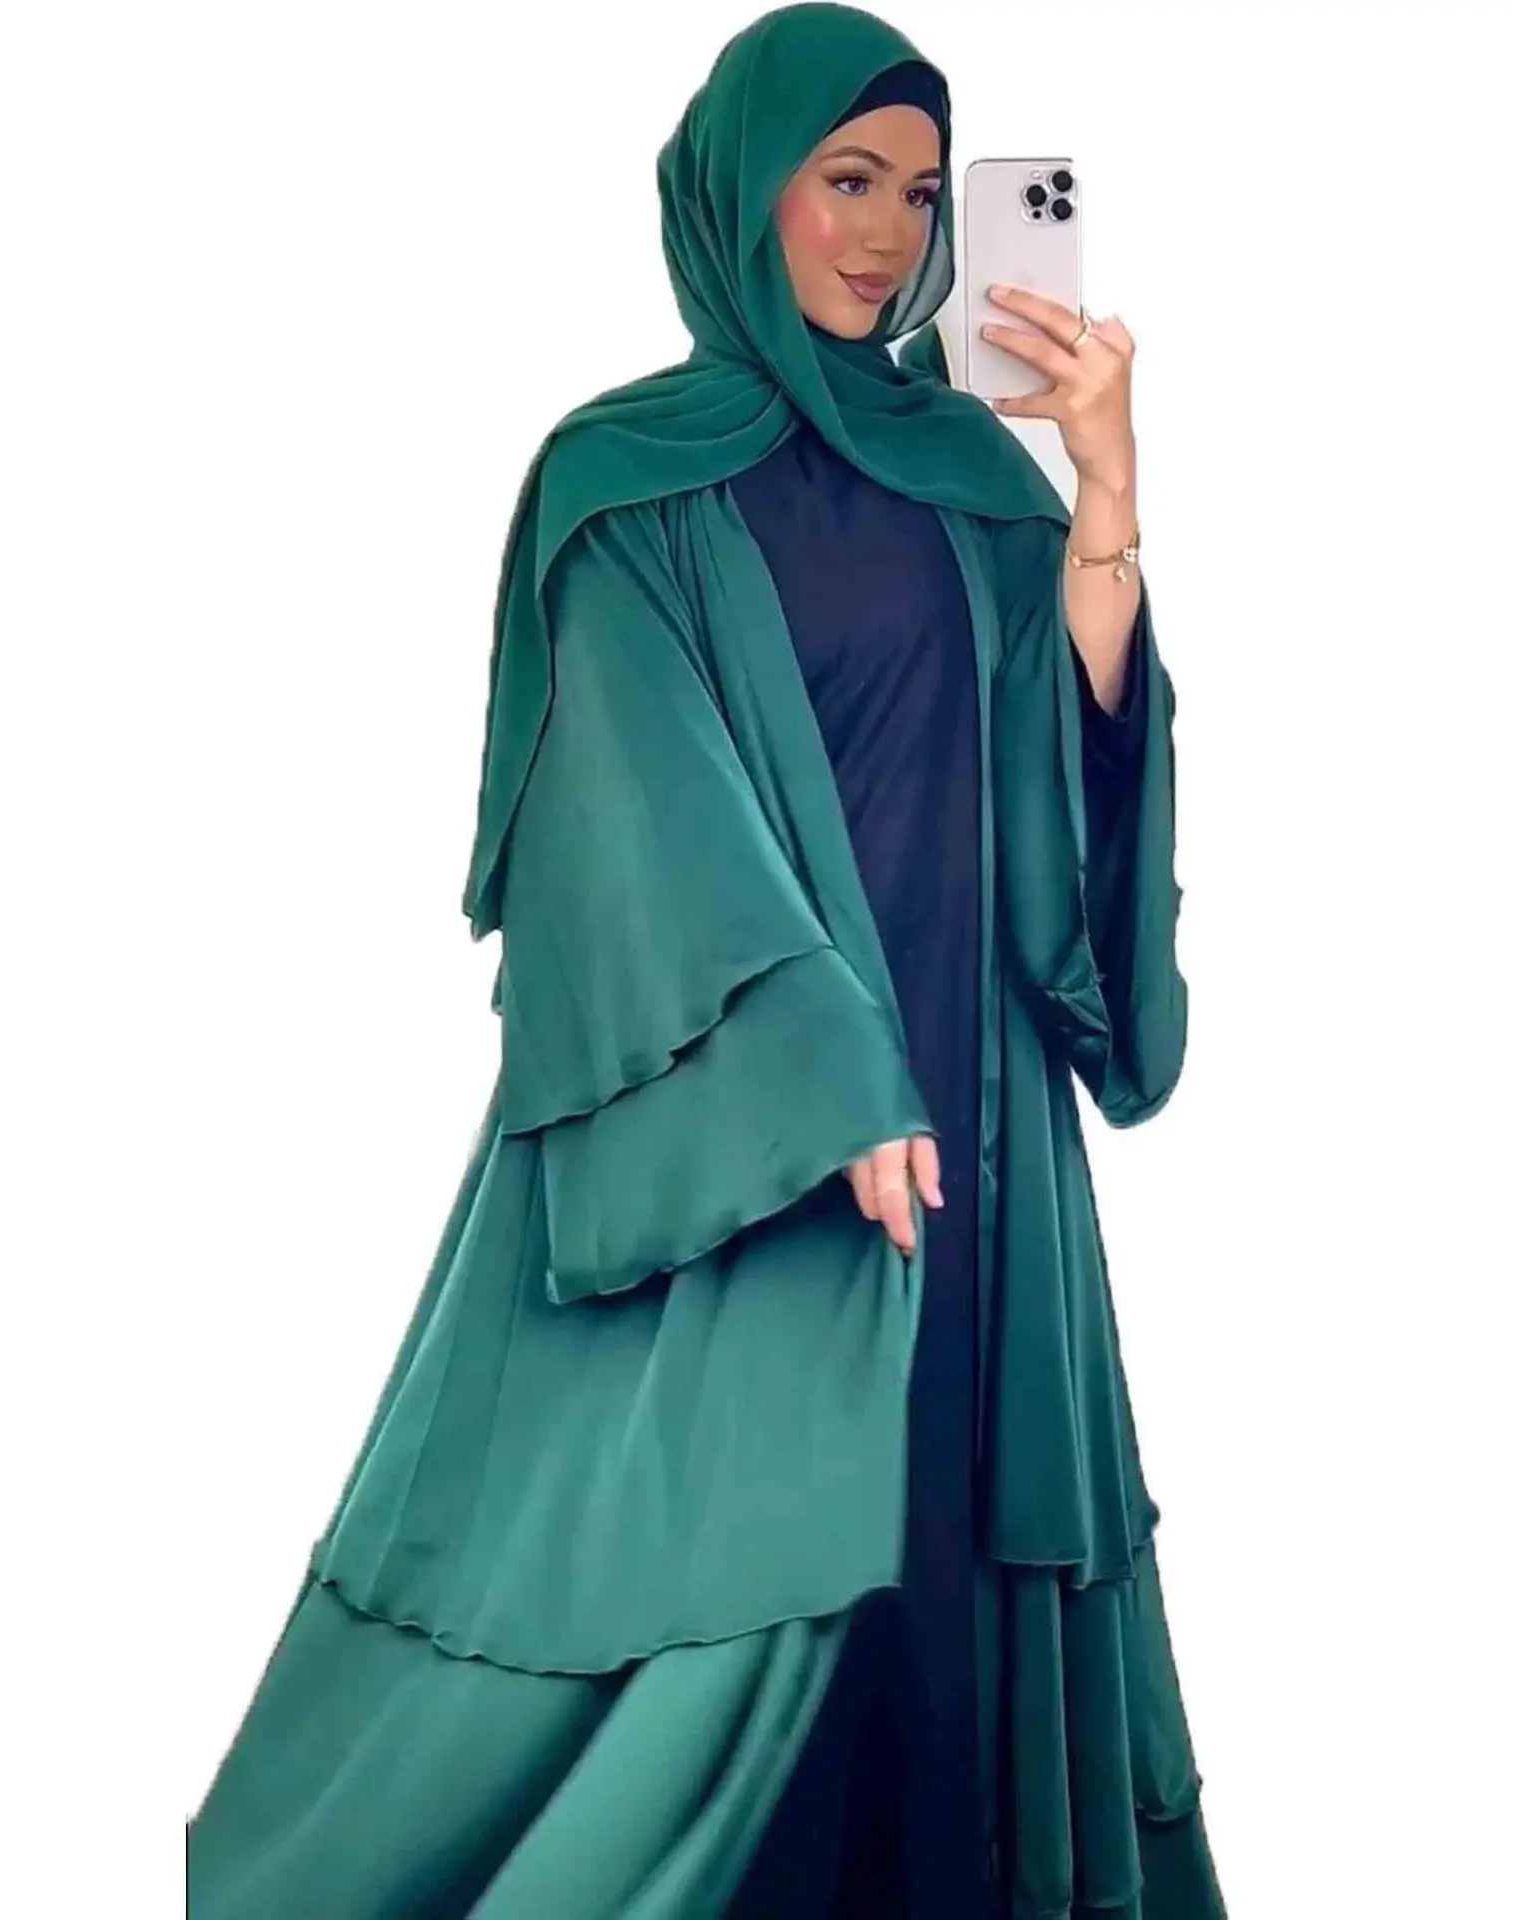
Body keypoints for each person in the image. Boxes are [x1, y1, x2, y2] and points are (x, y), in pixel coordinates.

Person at [186, 6, 1226, 1916]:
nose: (891, 235)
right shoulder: (624, 484)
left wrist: (1105, 503)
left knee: (936, 1571)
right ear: (740, 190)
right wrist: (827, 1079)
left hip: (980, 1137)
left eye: (923, 196)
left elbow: (1065, 788)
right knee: (721, 1587)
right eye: (848, 181)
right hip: (751, 1131)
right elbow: (636, 809)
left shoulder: (975, 480)